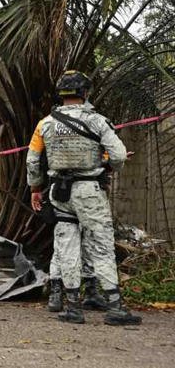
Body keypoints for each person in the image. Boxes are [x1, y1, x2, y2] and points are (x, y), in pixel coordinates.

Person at [26, 70, 141, 325]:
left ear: (61, 94)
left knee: (66, 246)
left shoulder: (45, 124)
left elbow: (32, 160)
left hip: (59, 193)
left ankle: (73, 308)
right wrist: (108, 166)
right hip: (89, 192)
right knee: (101, 244)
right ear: (85, 92)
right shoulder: (98, 121)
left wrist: (35, 188)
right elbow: (118, 155)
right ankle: (115, 307)